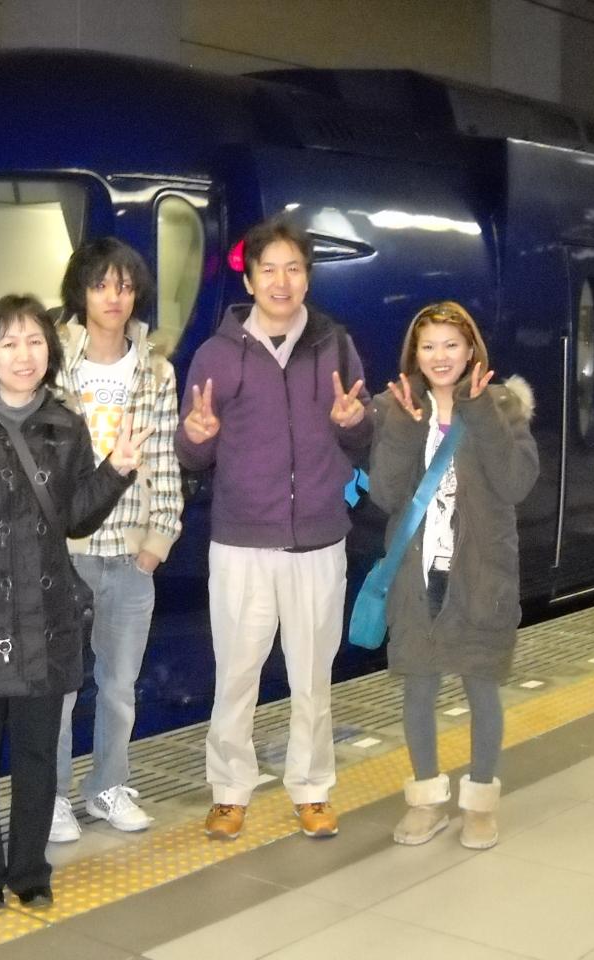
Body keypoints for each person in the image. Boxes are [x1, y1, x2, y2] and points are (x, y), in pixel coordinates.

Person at [0, 295, 149, 910]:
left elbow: (73, 518)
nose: (25, 355)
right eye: (10, 343)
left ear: (51, 352)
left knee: (38, 756)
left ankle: (29, 871)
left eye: (36, 341)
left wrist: (117, 470)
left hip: (44, 620)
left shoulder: (65, 424)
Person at [175, 216, 370, 841]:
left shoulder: (335, 346)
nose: (281, 282)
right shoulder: (216, 354)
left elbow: (361, 436)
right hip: (241, 541)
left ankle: (311, 789)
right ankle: (229, 791)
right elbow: (191, 452)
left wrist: (354, 423)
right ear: (250, 279)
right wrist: (195, 438)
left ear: (307, 277)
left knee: (313, 676)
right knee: (236, 673)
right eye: (269, 269)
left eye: (293, 269)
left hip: (319, 538)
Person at [370, 300, 538, 850]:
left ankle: (481, 803)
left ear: (471, 351)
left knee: (482, 688)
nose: (439, 356)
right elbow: (384, 494)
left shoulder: (503, 406)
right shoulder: (397, 407)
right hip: (417, 578)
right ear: (413, 354)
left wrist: (480, 412)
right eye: (428, 346)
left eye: (451, 345)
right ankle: (426, 801)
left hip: (481, 575)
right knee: (418, 691)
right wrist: (402, 426)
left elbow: (516, 482)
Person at [50, 238, 184, 841]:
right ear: (81, 290)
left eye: (125, 286)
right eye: (102, 285)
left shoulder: (157, 370)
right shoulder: (54, 362)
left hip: (130, 556)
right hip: (65, 554)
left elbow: (165, 459)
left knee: (120, 687)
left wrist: (159, 540)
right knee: (57, 688)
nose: (114, 297)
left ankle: (107, 787)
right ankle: (51, 797)